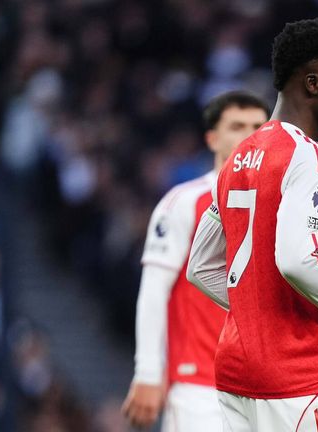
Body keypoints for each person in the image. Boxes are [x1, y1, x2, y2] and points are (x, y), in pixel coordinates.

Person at [186, 18, 318, 432]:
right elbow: (298, 259)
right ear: (312, 83)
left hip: (237, 371)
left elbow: (201, 267)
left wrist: (260, 312)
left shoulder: (237, 157)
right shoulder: (310, 157)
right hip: (302, 376)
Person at [121, 91, 269, 430]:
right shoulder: (185, 202)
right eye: (237, 125)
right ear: (212, 138)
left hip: (266, 391)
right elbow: (155, 289)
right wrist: (148, 371)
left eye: (257, 127)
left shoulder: (281, 207)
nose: (248, 134)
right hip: (199, 388)